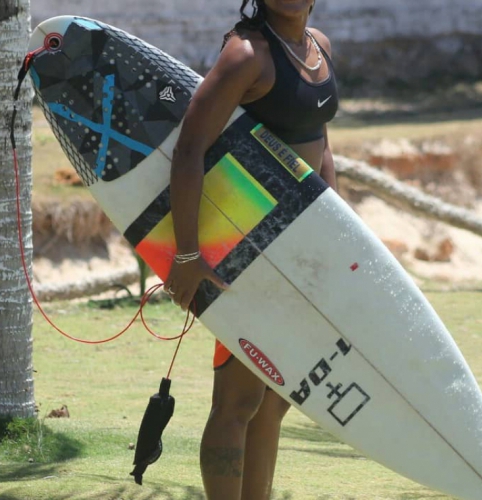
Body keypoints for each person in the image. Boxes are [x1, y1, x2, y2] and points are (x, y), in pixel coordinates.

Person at [163, 0, 339, 498]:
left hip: (300, 250)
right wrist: (188, 254)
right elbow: (190, 149)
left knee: (277, 398)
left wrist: (337, 228)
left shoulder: (318, 46)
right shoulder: (246, 54)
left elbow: (320, 140)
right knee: (238, 401)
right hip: (249, 250)